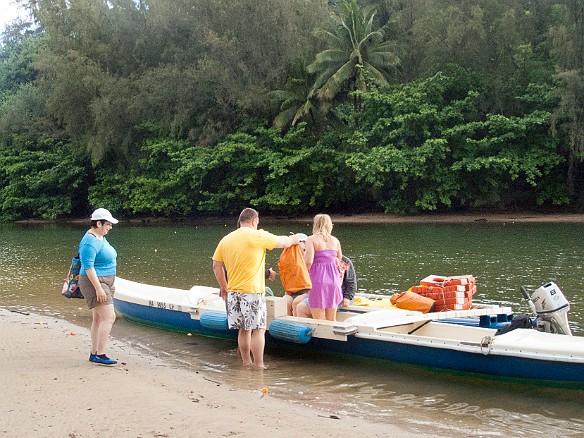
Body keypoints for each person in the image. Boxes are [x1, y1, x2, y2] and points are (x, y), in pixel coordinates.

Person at [212, 208, 302, 369]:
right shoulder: (257, 235)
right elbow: (284, 242)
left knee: (243, 330)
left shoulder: (226, 239)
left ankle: (246, 363)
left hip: (233, 292)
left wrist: (224, 287)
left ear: (240, 221)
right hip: (252, 292)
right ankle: (259, 365)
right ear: (254, 221)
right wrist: (296, 238)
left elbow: (216, 265)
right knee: (259, 329)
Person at [78, 208, 119, 365]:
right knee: (109, 317)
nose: (110, 227)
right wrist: (98, 288)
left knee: (99, 318)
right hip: (95, 282)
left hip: (105, 281)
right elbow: (88, 266)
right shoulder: (90, 241)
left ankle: (94, 353)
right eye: (108, 224)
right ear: (99, 223)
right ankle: (100, 354)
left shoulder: (99, 236)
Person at [303, 214, 343, 321]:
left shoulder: (311, 240)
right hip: (334, 281)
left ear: (315, 224)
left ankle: (320, 338)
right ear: (330, 225)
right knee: (332, 319)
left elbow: (308, 262)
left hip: (317, 281)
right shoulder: (335, 240)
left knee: (319, 320)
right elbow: (339, 260)